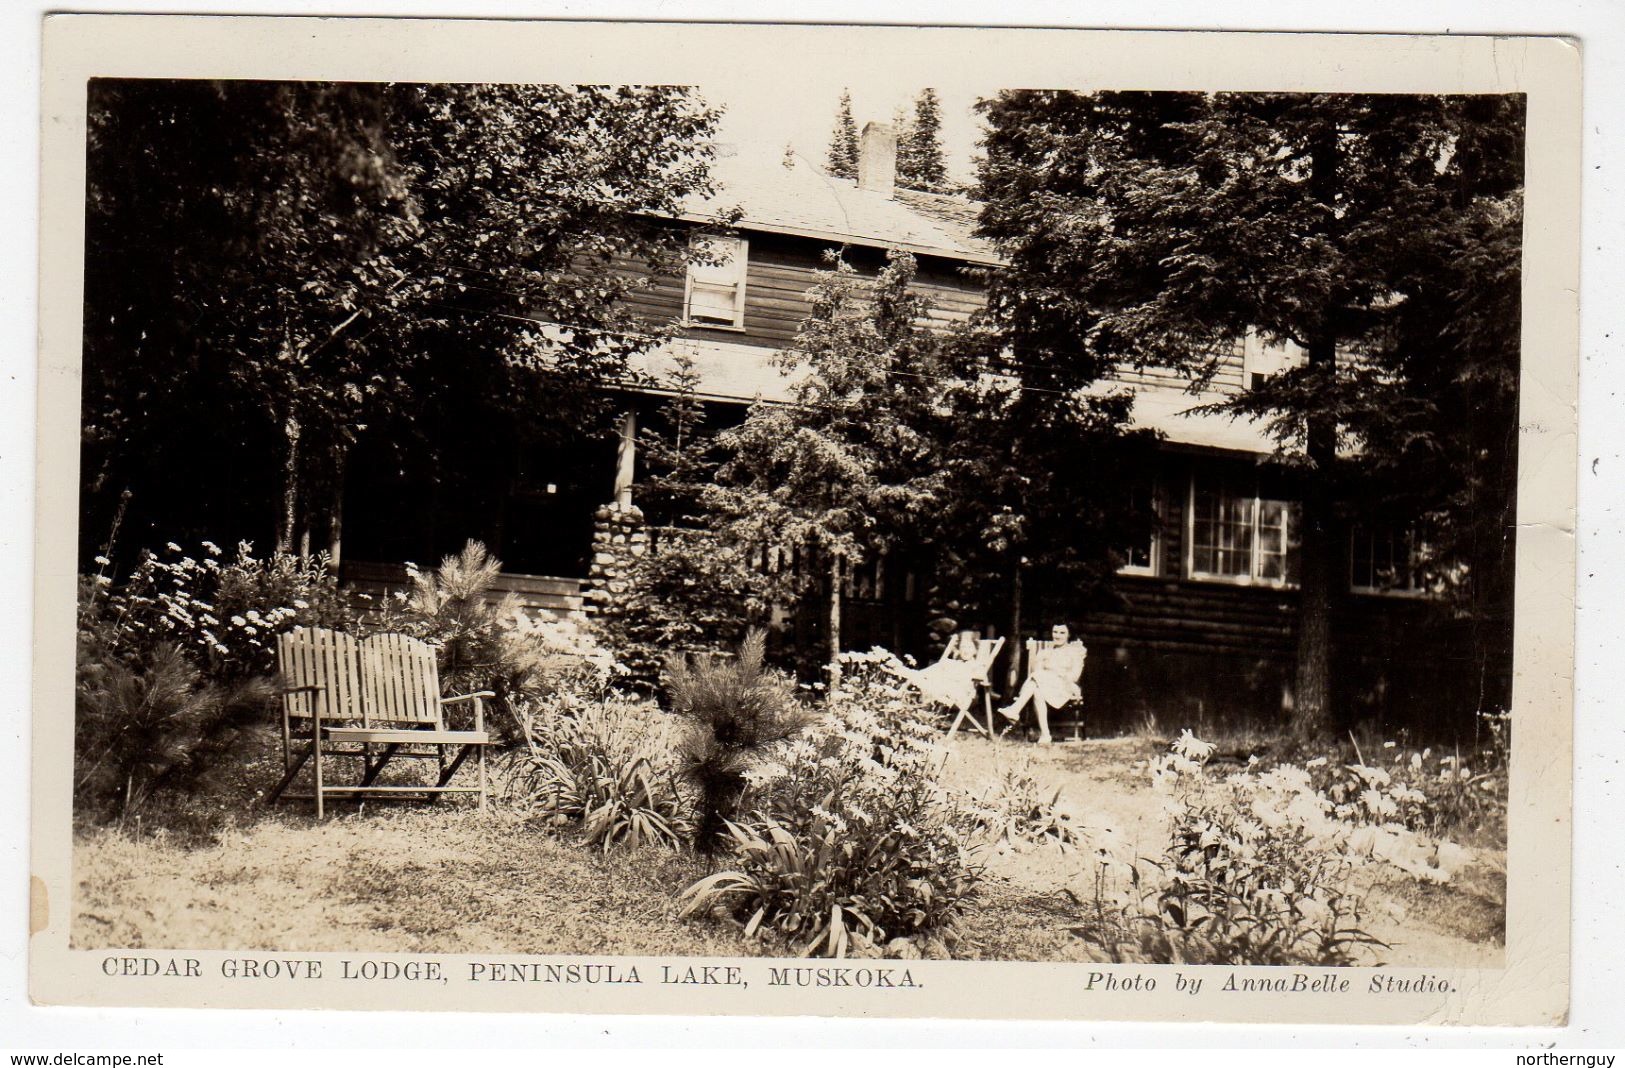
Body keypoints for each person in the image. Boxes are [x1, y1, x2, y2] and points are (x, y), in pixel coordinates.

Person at [999, 624, 1086, 744]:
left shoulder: (1074, 653)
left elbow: (1075, 676)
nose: (1058, 636)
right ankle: (1045, 735)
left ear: (1068, 634)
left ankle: (1015, 709)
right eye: (1055, 632)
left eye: (1062, 633)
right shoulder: (1045, 652)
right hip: (1046, 686)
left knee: (1038, 678)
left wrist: (1055, 673)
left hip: (1066, 687)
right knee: (1037, 691)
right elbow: (1036, 672)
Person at [882, 630, 984, 715]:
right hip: (942, 689)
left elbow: (980, 677)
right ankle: (908, 675)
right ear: (959, 649)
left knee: (930, 680)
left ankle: (905, 675)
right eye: (963, 647)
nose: (966, 650)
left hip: (959, 695)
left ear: (975, 650)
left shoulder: (976, 665)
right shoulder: (953, 663)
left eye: (969, 647)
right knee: (937, 668)